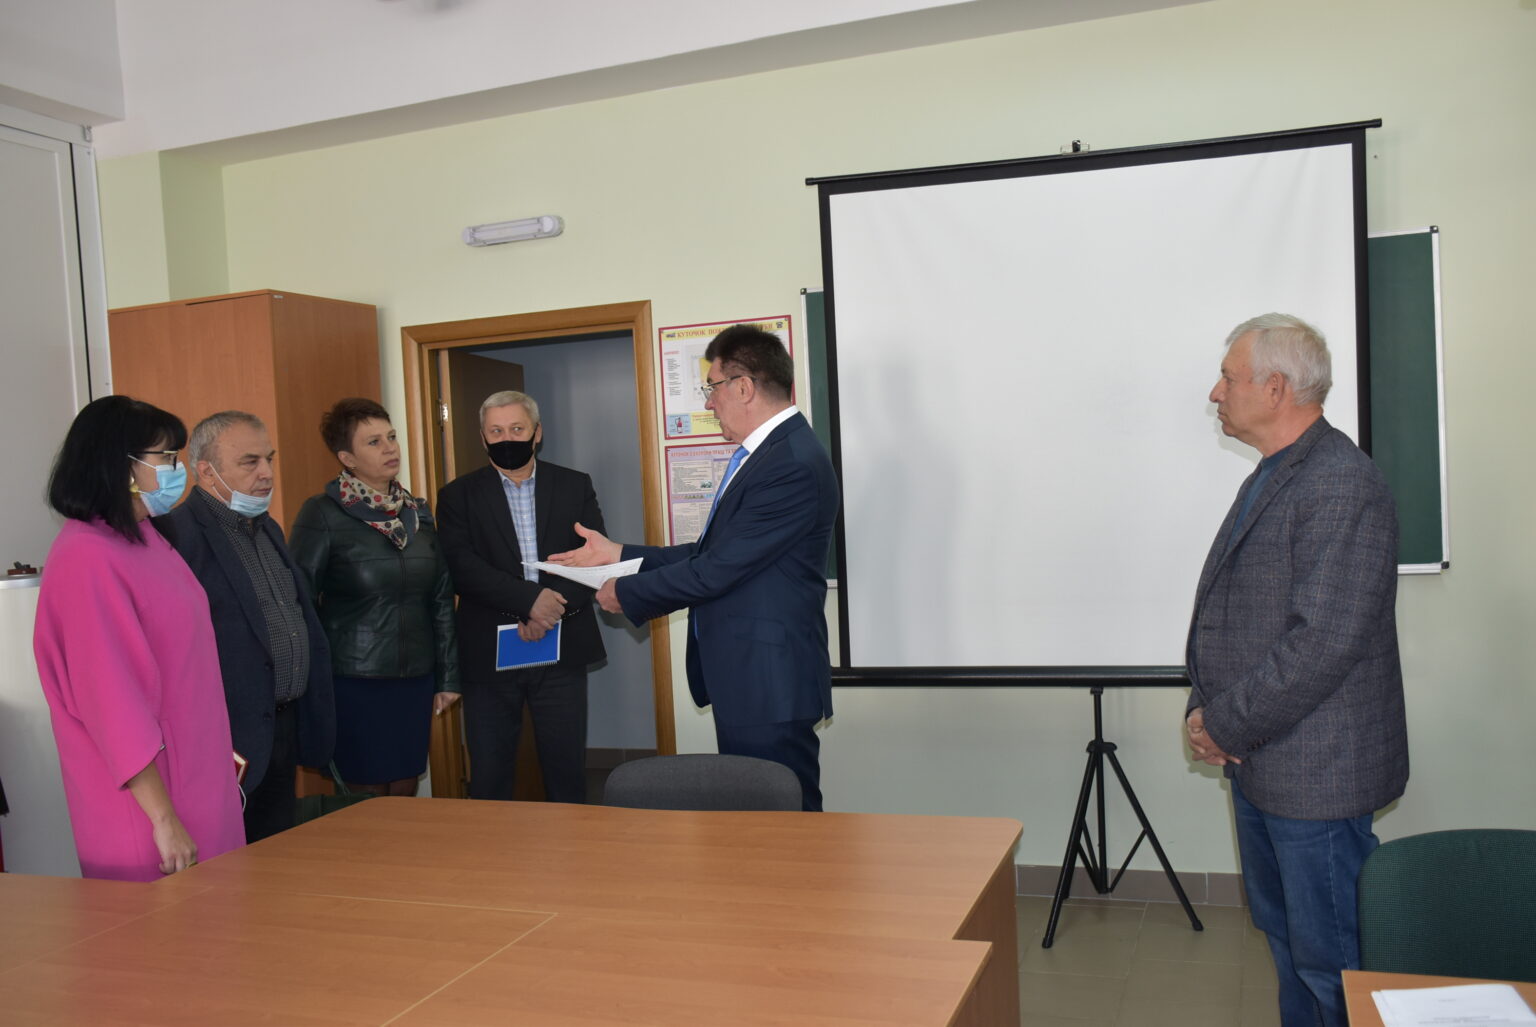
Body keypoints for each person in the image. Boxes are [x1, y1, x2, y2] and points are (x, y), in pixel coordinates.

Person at [1185, 313, 1409, 1027]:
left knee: (1332, 964)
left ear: (1276, 387)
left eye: (1228, 377)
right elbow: (1232, 614)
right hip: (1264, 761)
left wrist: (1220, 722)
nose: (1216, 392)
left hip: (1317, 775)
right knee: (1289, 947)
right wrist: (1206, 710)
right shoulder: (1276, 473)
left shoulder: (1341, 482)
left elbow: (1321, 643)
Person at [550, 324, 839, 811]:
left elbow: (717, 570)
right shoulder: (770, 454)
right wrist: (618, 554)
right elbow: (713, 554)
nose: (709, 403)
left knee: (783, 825)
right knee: (756, 821)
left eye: (712, 388)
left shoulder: (788, 463)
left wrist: (626, 592)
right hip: (750, 676)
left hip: (767, 679)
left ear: (743, 387)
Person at [33, 396, 244, 880]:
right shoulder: (87, 557)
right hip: (147, 804)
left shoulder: (144, 537)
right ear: (120, 464)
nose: (176, 470)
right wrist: (163, 819)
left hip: (198, 779)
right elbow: (111, 705)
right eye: (164, 458)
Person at [166, 411, 335, 842]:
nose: (266, 473)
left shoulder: (267, 528)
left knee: (276, 853)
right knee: (230, 860)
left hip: (282, 726)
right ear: (207, 471)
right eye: (250, 462)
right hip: (228, 735)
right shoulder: (177, 536)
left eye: (269, 459)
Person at [435, 390, 606, 802]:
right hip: (489, 654)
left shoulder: (574, 485)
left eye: (516, 428)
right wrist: (529, 603)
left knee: (566, 772)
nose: (507, 438)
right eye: (496, 431)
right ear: (482, 437)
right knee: (490, 774)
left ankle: (574, 842)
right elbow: (462, 567)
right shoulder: (457, 495)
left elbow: (594, 556)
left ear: (537, 432)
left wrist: (548, 610)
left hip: (561, 645)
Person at [289, 399, 460, 796]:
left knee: (404, 784)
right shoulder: (322, 513)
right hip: (354, 680)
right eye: (374, 442)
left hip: (414, 679)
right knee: (364, 794)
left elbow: (440, 599)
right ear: (347, 458)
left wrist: (448, 677)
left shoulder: (417, 513)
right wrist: (310, 683)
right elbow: (298, 601)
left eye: (391, 437)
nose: (390, 448)